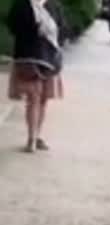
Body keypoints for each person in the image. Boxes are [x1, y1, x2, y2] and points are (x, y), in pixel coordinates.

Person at [6, 0, 64, 153]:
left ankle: (34, 137)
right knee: (35, 98)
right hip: (34, 58)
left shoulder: (50, 5)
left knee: (40, 99)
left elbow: (62, 29)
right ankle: (33, 137)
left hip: (45, 57)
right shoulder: (25, 5)